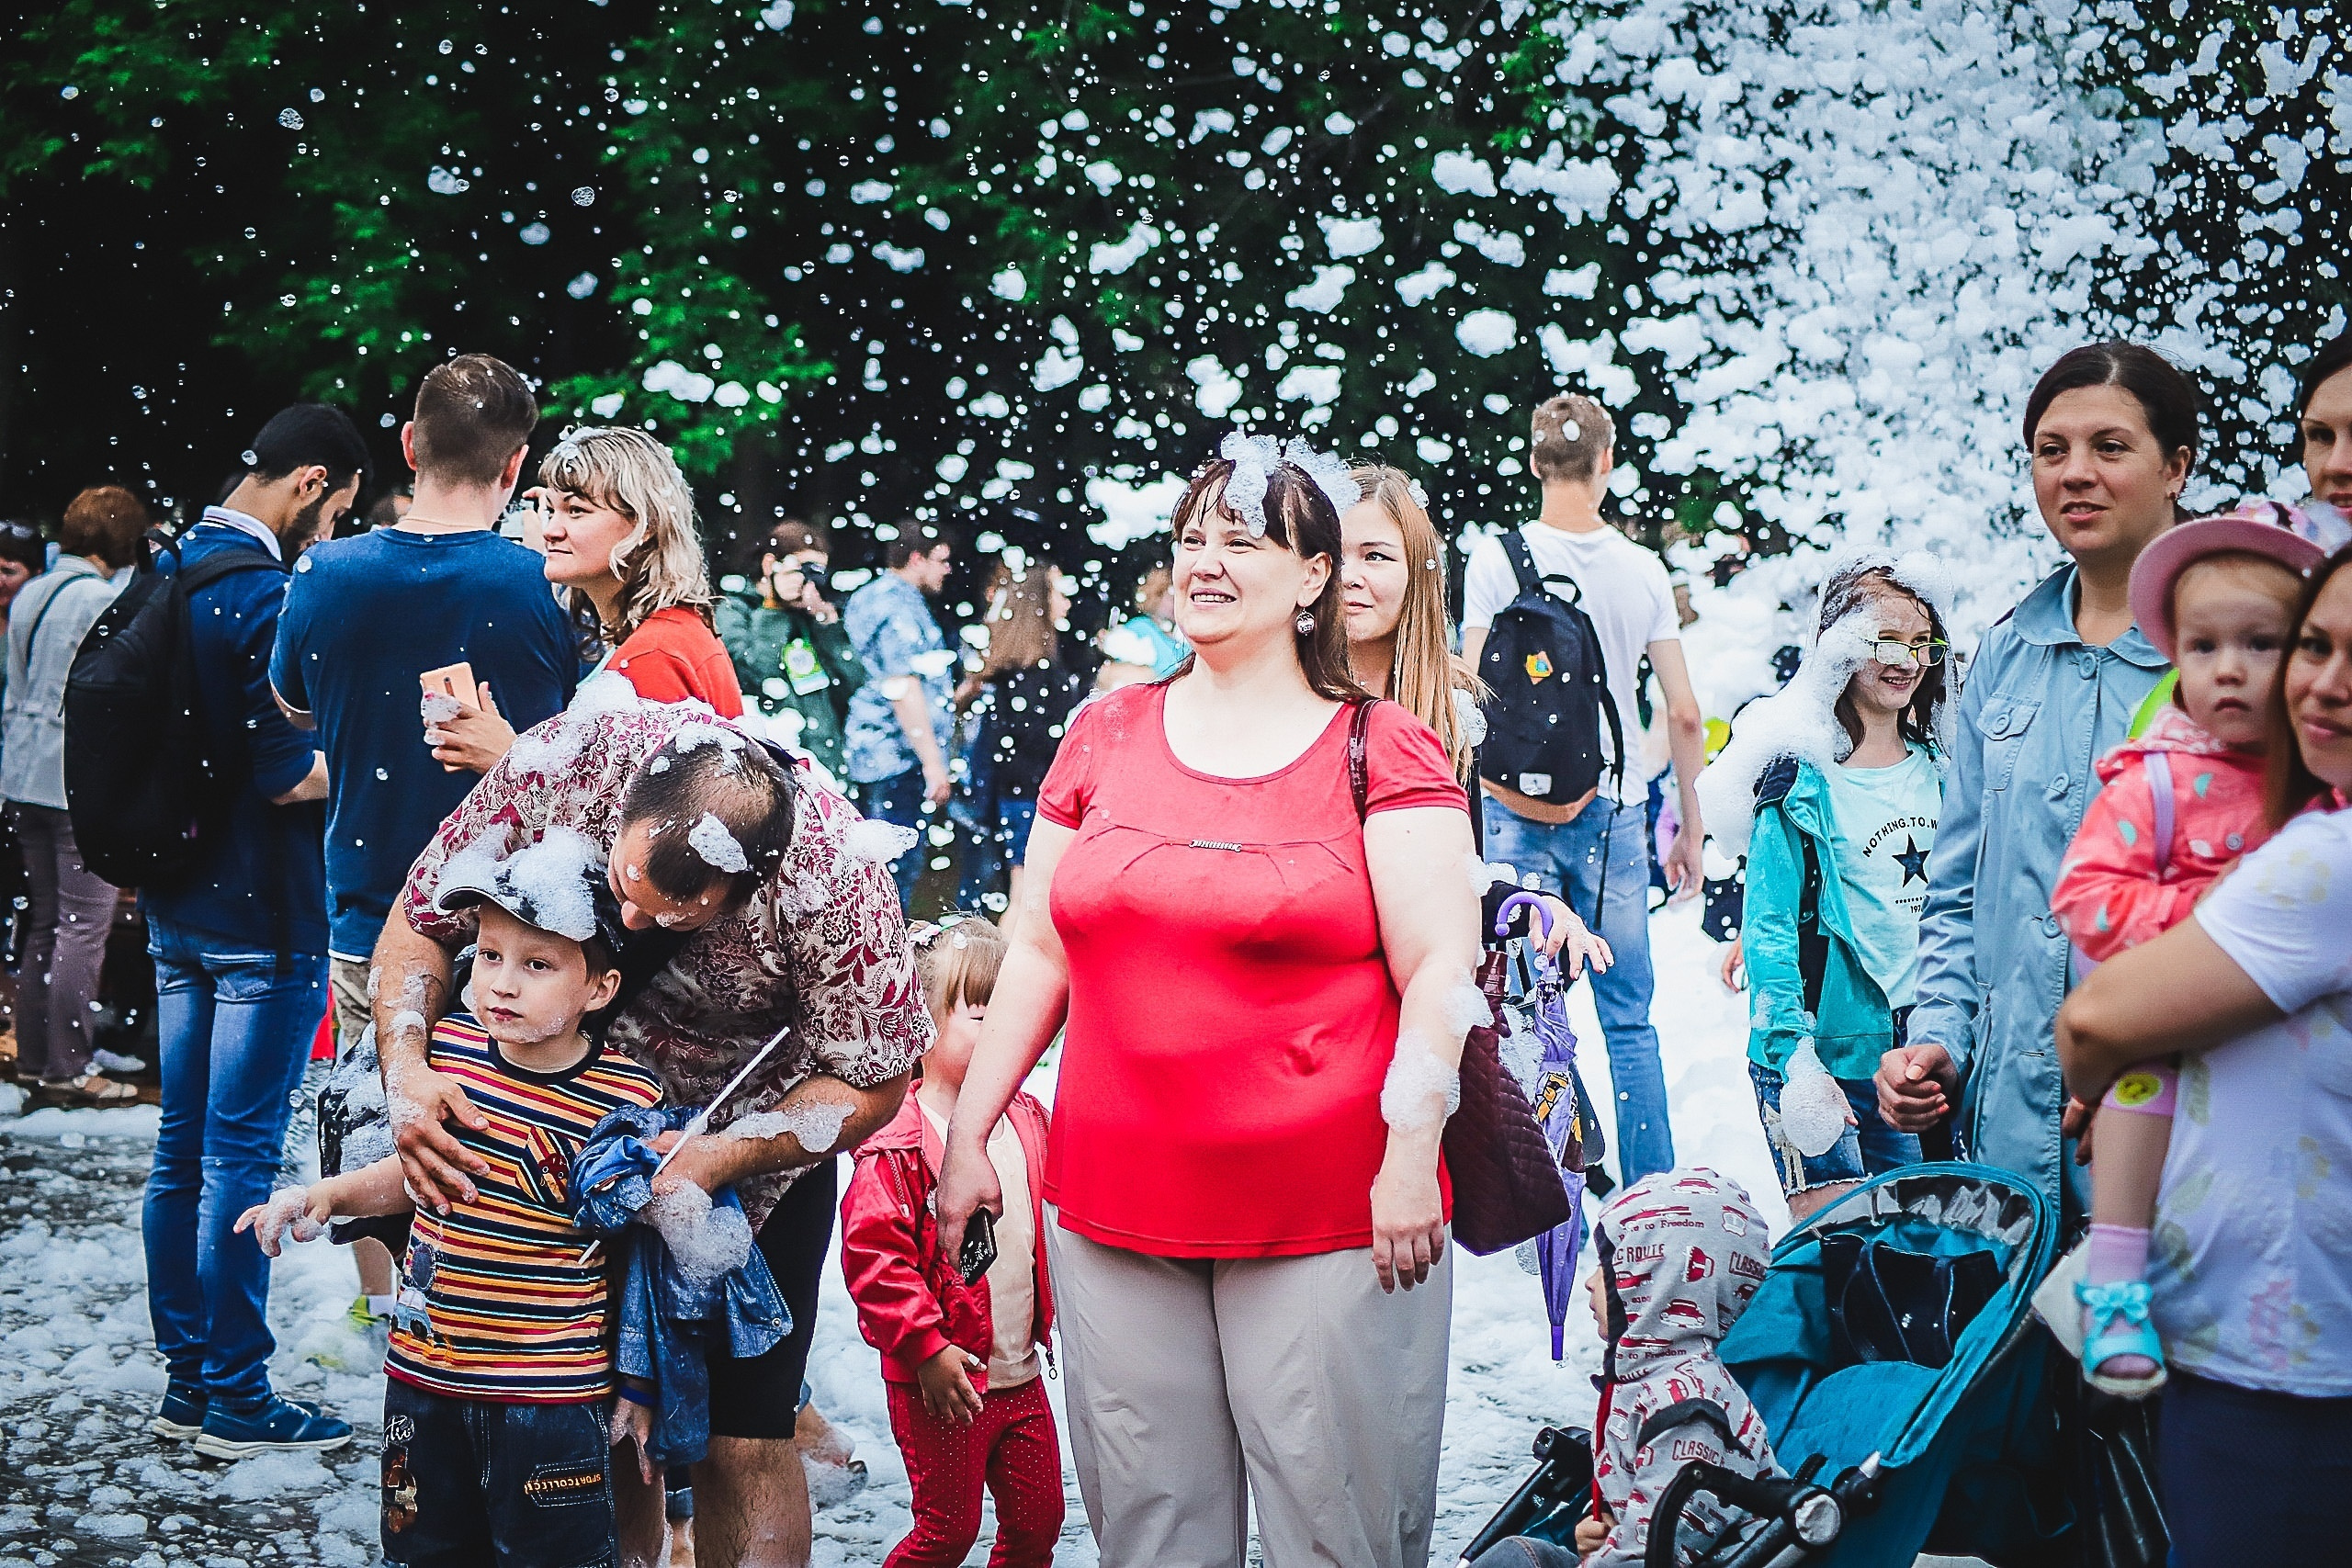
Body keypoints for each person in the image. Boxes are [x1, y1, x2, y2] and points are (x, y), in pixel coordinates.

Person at [934, 438, 1480, 1568]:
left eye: (1244, 540)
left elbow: (1440, 968)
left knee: (1338, 1531)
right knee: (1153, 1535)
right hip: (1113, 1207)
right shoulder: (1104, 732)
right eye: (1192, 540)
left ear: (1315, 577)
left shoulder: (1381, 747)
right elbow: (1037, 944)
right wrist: (970, 1136)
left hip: (1330, 1212)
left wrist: (1406, 1151)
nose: (1208, 562)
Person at [375, 710, 928, 1568]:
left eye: (669, 915)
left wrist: (723, 1154)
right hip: (538, 1129)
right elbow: (416, 921)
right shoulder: (572, 761)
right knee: (586, 1416)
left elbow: (876, 1078)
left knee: (743, 1431)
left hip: (747, 1152)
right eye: (622, 886)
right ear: (626, 802)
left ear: (750, 887)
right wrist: (408, 1069)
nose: (628, 921)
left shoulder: (834, 882)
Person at [236, 835, 662, 1562]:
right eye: (490, 955)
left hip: (552, 1398)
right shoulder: (450, 1053)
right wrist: (324, 1194)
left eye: (537, 964)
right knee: (423, 1552)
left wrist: (643, 1383)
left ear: (599, 988)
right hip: (423, 1381)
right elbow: (417, 1175)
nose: (501, 982)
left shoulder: (627, 1096)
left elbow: (644, 1259)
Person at [2056, 544, 2352, 1567]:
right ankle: (2114, 1279)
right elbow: (2085, 904)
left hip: (2284, 1326)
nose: (2233, 670)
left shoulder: (2317, 815)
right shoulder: (2164, 782)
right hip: (2174, 1062)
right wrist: (2200, 924)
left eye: (2268, 644)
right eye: (2202, 647)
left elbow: (2095, 1019)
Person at [269, 354, 580, 1329]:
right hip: (520, 917)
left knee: (374, 1113)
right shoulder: (543, 581)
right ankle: (507, 1306)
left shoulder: (327, 571)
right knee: (515, 1120)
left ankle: (387, 1310)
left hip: (370, 903)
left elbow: (287, 705)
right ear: (518, 464)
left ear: (408, 444)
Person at [1878, 343, 2198, 1209]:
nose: (2075, 474)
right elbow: (1953, 892)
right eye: (2051, 451)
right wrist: (1938, 1037)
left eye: (2109, 447)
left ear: (2178, 466)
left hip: (2171, 1142)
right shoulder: (2007, 654)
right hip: (2007, 1150)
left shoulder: (2228, 660)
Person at [141, 403, 366, 1457]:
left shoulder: (168, 568)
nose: (331, 533)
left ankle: (190, 1379)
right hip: (262, 920)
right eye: (338, 510)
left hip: (176, 902)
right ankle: (236, 1392)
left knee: (178, 1152)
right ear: (311, 481)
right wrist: (379, 760)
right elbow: (285, 777)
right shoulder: (261, 596)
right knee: (236, 1158)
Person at [1459, 394, 1709, 1186]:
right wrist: (1691, 828)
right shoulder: (1643, 570)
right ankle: (1654, 1194)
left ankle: (1545, 1193)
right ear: (1607, 462)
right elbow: (1685, 712)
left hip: (1512, 808)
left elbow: (1468, 696)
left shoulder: (1496, 558)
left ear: (1535, 463)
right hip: (1613, 811)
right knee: (1629, 1018)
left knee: (1523, 1014)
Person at [1696, 555, 1951, 1221]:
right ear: (1838, 642)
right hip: (1820, 1053)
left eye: (1924, 643)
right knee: (1844, 1261)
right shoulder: (1797, 778)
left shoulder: (1945, 772)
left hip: (1918, 1050)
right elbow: (1771, 929)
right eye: (1887, 640)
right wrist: (1795, 1061)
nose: (1909, 660)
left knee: (1917, 1255)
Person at [840, 915, 1060, 1568]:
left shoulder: (1027, 1117)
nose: (1002, 1033)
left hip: (1021, 1375)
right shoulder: (901, 1139)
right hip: (942, 1379)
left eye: (1012, 1015)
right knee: (946, 1532)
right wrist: (926, 1348)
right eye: (979, 1015)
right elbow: (875, 1259)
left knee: (1037, 1526)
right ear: (923, 1020)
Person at [1340, 462, 1611, 978]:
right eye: (1338, 554)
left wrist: (1529, 906)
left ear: (1417, 572)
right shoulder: (1277, 692)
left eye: (1375, 556)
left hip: (1405, 990)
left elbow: (1459, 882)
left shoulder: (1448, 704)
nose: (1351, 575)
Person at [1469, 1168, 1780, 1568]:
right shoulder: (1647, 1379)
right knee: (1517, 1554)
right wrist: (1603, 1533)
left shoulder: (1689, 1414)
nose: (1589, 1282)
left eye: (1607, 1266)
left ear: (1657, 1285)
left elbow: (1657, 1551)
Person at [427, 425, 744, 774]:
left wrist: (506, 760)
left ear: (645, 524)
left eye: (576, 510)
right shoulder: (671, 631)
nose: (551, 530)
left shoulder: (652, 655)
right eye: (550, 509)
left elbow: (626, 820)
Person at [2, 487, 142, 1103]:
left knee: (41, 922)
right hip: (71, 783)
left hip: (20, 775)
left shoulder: (32, 591)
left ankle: (35, 1056)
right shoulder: (100, 597)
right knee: (83, 927)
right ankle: (70, 1066)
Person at [952, 560, 1084, 933]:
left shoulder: (1013, 672)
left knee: (1021, 893)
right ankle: (1005, 983)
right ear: (1038, 601)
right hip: (1033, 799)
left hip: (1015, 798)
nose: (1067, 602)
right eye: (1059, 592)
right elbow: (1038, 746)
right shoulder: (1037, 675)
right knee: (1026, 897)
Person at [843, 522, 957, 911]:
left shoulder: (874, 596)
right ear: (915, 558)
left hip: (880, 754)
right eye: (940, 560)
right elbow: (903, 686)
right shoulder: (894, 603)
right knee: (889, 881)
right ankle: (884, 966)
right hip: (895, 758)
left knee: (873, 877)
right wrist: (933, 765)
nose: (948, 570)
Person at [717, 518, 866, 784]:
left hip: (826, 767)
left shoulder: (810, 620)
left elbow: (852, 684)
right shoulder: (734, 610)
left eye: (818, 573)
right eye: (804, 569)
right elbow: (758, 676)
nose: (811, 581)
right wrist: (773, 607)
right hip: (770, 770)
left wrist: (827, 624)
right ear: (770, 564)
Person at [1093, 563, 1186, 687]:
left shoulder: (1184, 634)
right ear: (1153, 597)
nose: (1175, 602)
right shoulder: (1139, 627)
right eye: (1169, 597)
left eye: (1179, 596)